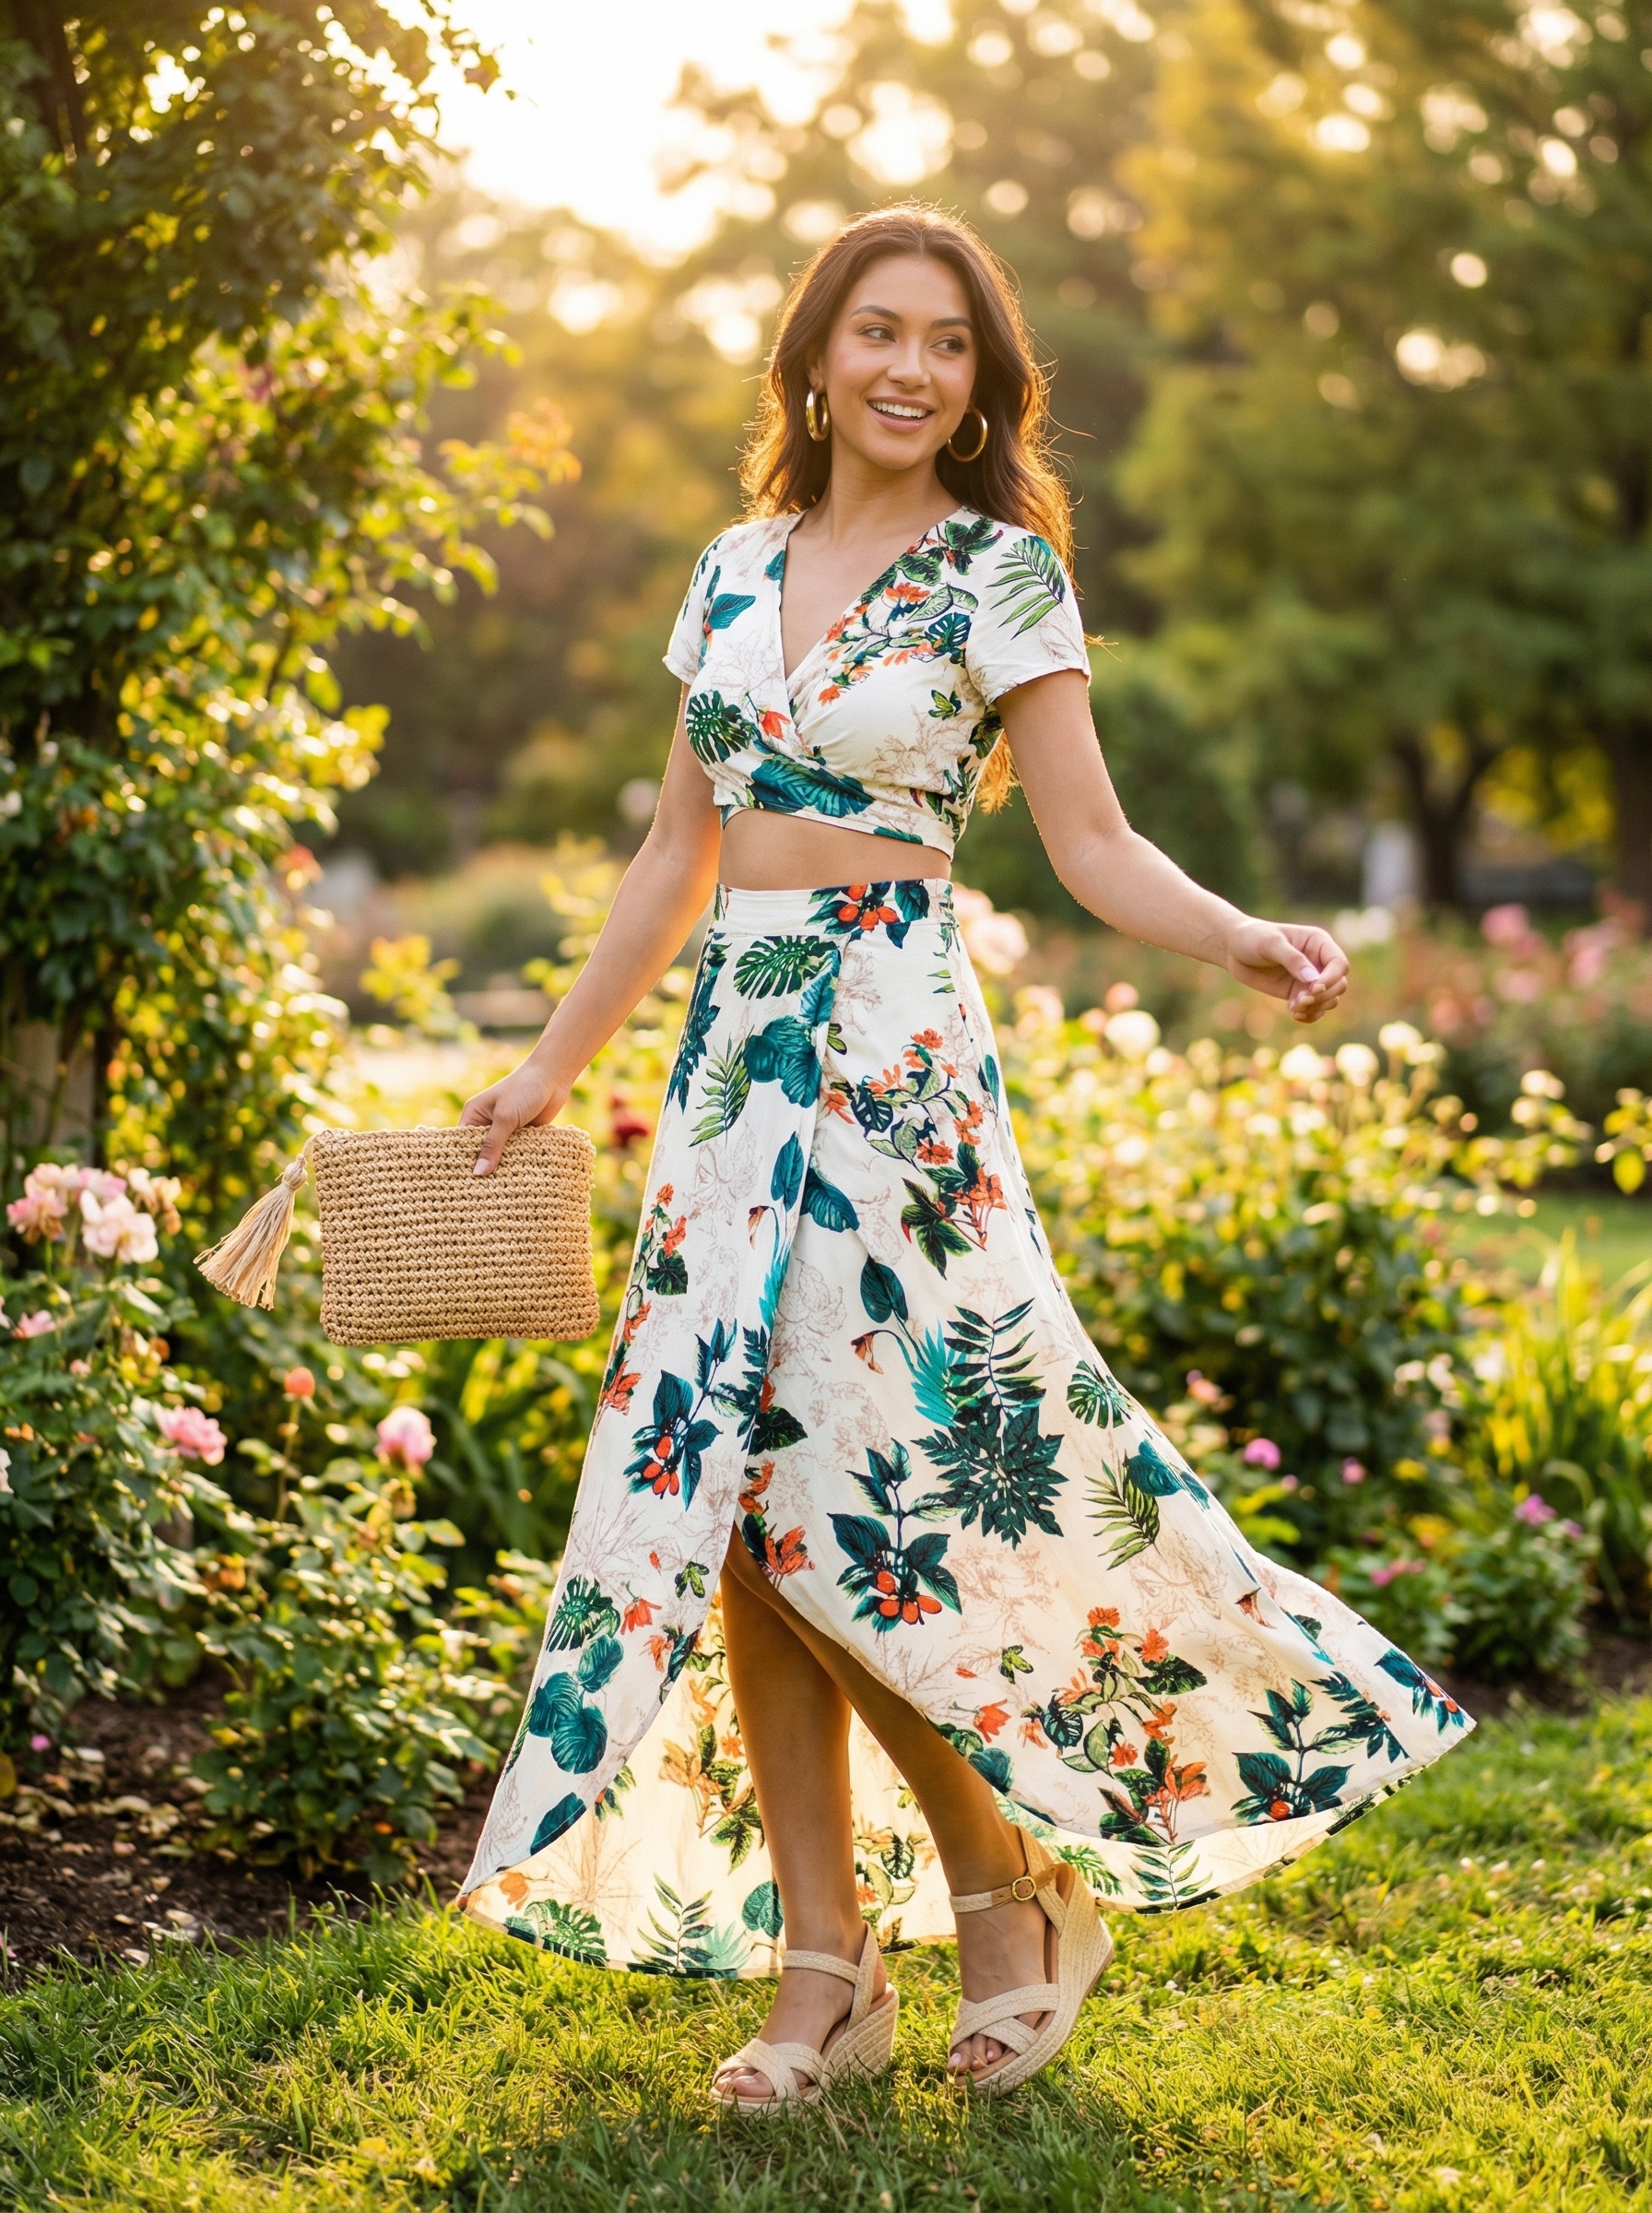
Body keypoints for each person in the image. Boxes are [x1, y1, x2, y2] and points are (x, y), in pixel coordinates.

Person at [454, 205, 1471, 2108]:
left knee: (868, 1499)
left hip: (891, 1064)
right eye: (879, 335)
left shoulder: (1000, 578)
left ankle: (1002, 1900)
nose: (911, 370)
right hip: (729, 1072)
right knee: (739, 1518)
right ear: (815, 359)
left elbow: (1086, 842)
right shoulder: (729, 570)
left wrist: (1237, 933)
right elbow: (672, 858)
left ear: (980, 386)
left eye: (947, 347)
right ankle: (821, 1970)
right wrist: (541, 1070)